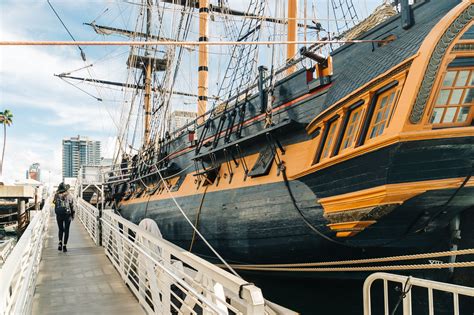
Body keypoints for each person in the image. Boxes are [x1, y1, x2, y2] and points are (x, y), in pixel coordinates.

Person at [54, 183, 74, 252]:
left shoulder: (56, 195)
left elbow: (54, 203)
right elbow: (72, 206)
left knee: (60, 229)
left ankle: (60, 242)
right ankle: (64, 246)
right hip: (67, 215)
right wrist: (72, 215)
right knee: (66, 230)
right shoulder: (69, 195)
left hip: (59, 214)